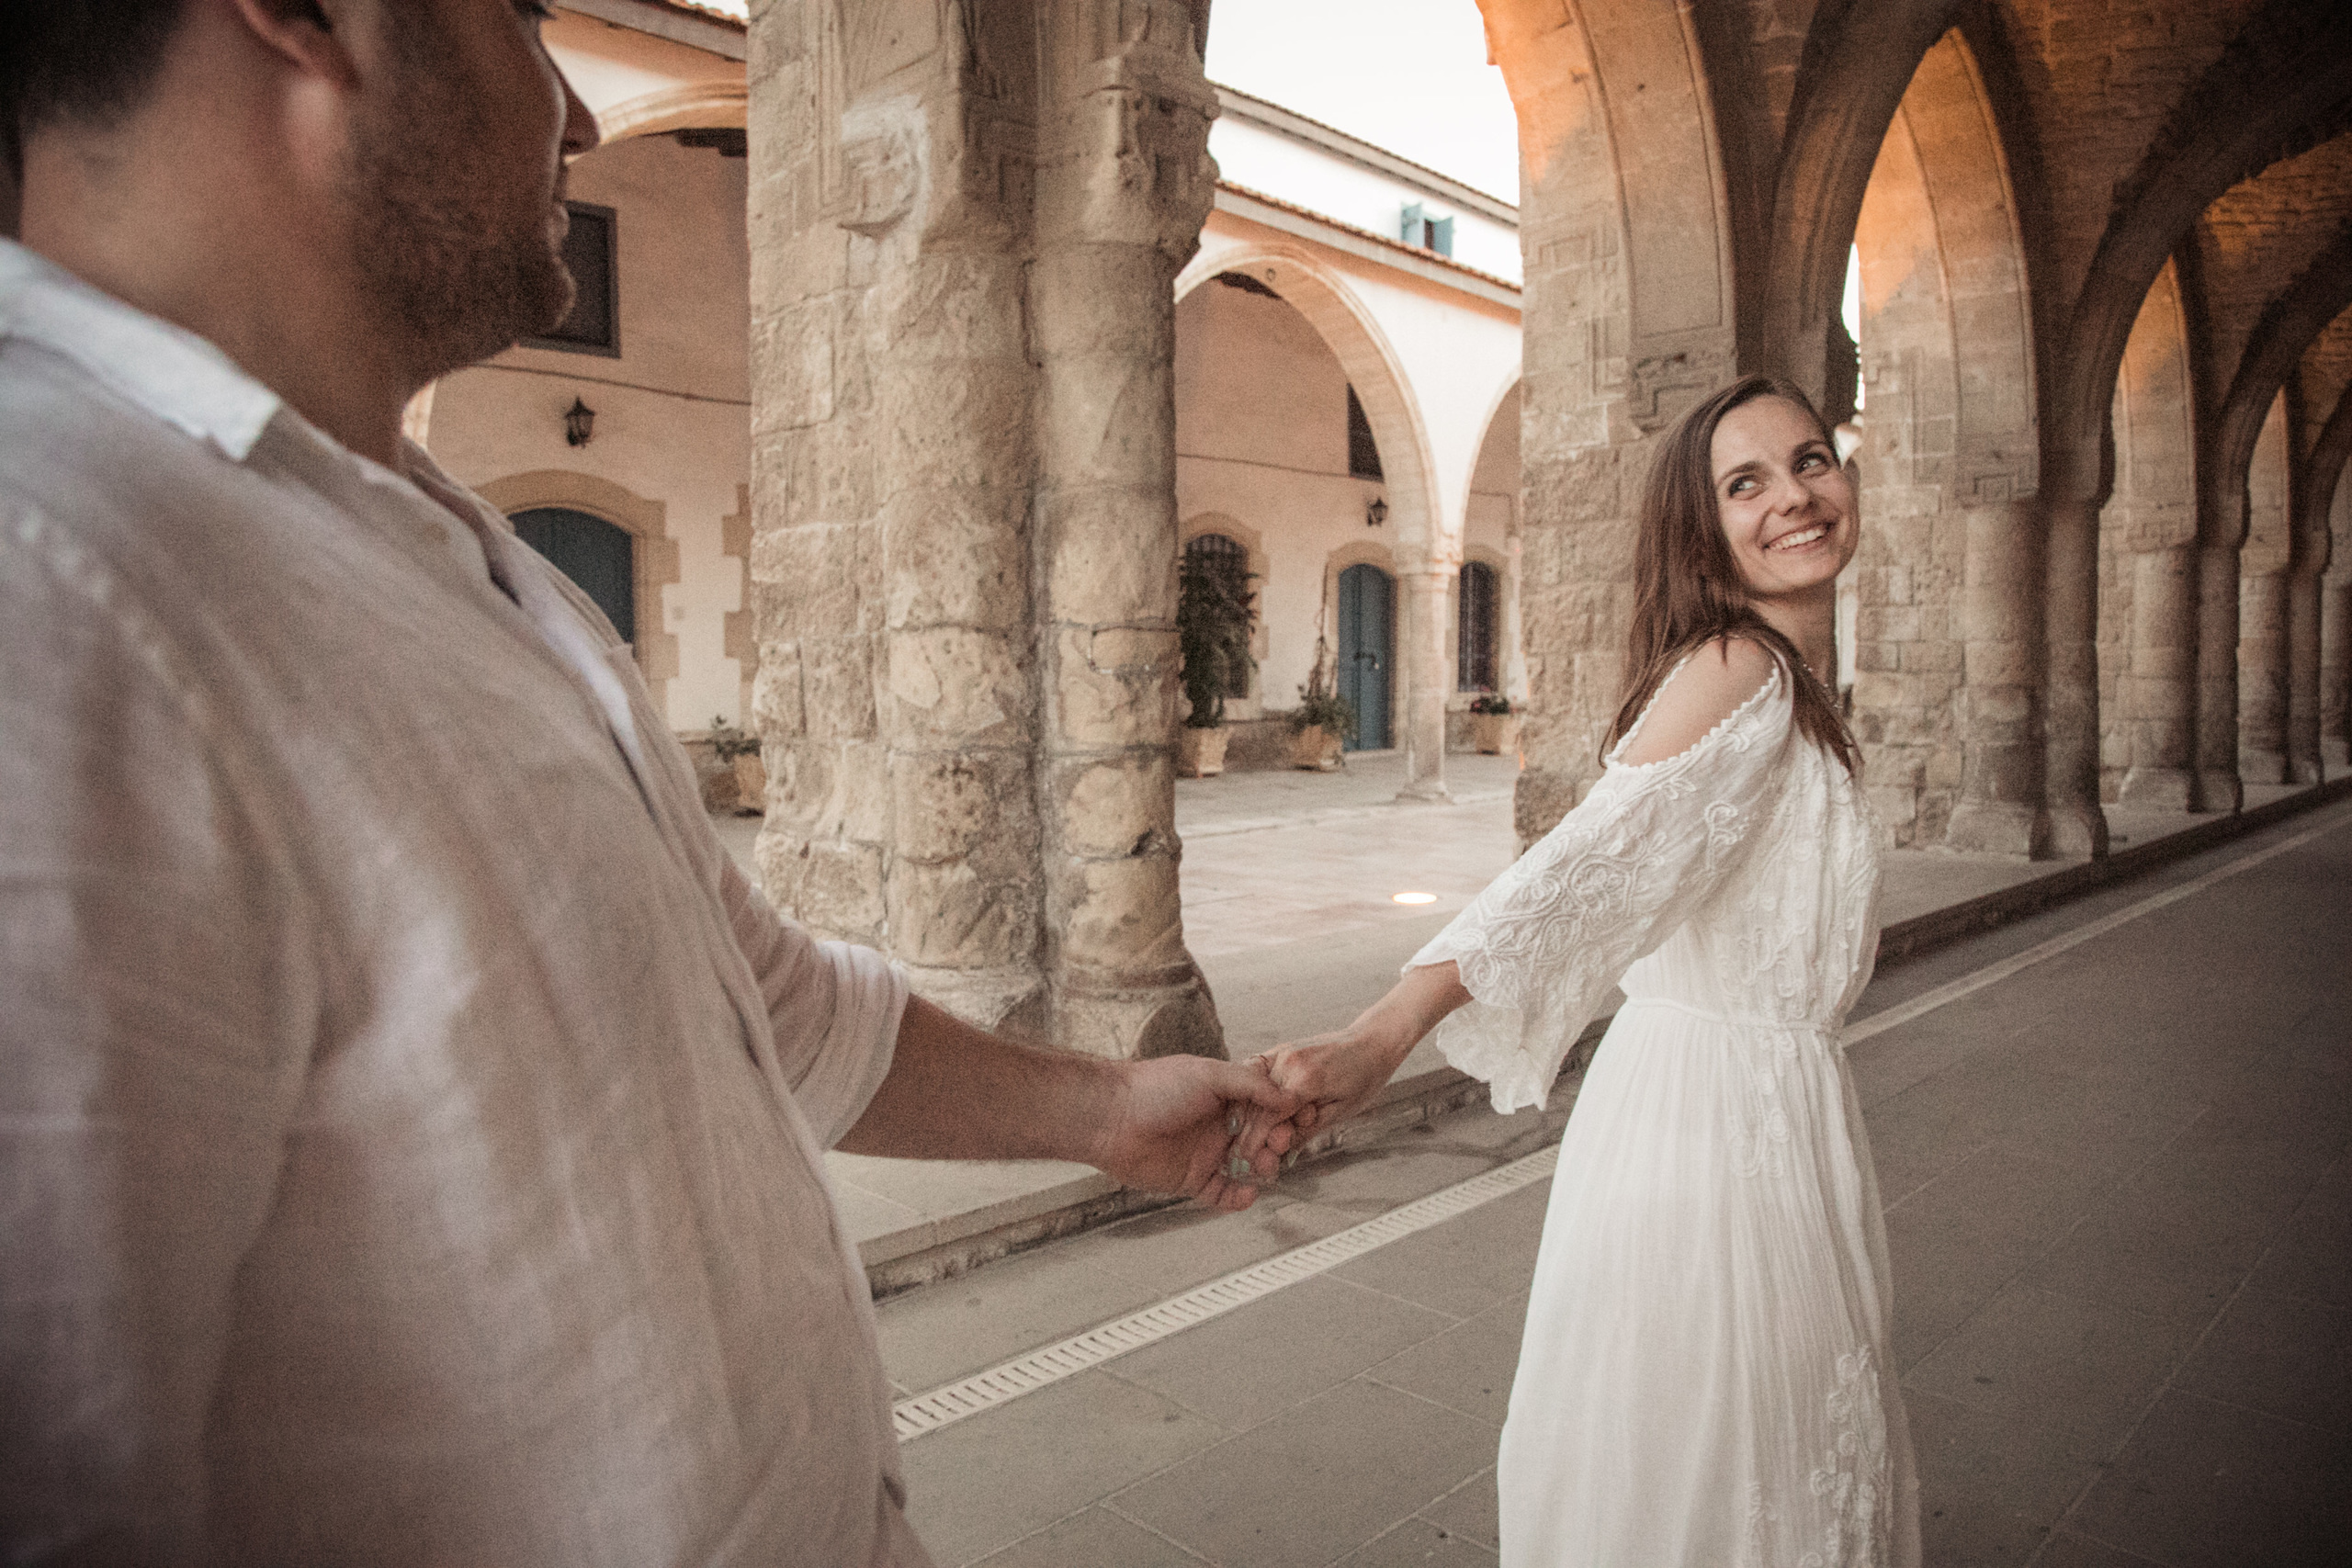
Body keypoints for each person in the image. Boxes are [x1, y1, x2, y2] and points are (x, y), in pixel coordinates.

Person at [0, 3, 1290, 1562]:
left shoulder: (430, 543)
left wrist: (1100, 1107)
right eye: (523, 23)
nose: (578, 118)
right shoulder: (57, 591)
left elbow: (759, 999)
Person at [1239, 376, 1923, 1565]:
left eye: (1811, 460)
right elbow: (1575, 870)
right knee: (1722, 1466)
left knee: (1769, 1458)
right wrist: (1383, 1033)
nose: (1795, 496)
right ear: (1701, 531)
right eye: (1745, 482)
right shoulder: (1736, 668)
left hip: (1774, 1115)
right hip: (1714, 1141)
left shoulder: (1793, 691)